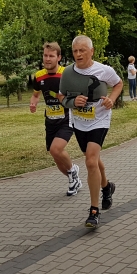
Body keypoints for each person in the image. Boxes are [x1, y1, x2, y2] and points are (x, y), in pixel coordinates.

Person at [59, 35, 123, 229]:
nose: (78, 54)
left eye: (82, 50)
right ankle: (107, 187)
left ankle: (94, 211)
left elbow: (118, 84)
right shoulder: (67, 73)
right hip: (79, 122)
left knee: (90, 161)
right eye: (75, 51)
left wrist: (111, 99)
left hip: (100, 119)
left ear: (92, 51)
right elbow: (61, 96)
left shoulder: (104, 70)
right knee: (93, 159)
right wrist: (72, 102)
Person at [29, 42, 83, 196]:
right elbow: (36, 94)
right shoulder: (39, 76)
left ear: (58, 57)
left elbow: (77, 92)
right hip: (50, 120)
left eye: (51, 56)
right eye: (45, 55)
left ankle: (73, 172)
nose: (47, 59)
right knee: (55, 156)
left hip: (66, 118)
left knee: (56, 149)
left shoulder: (66, 74)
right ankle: (74, 177)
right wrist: (33, 103)